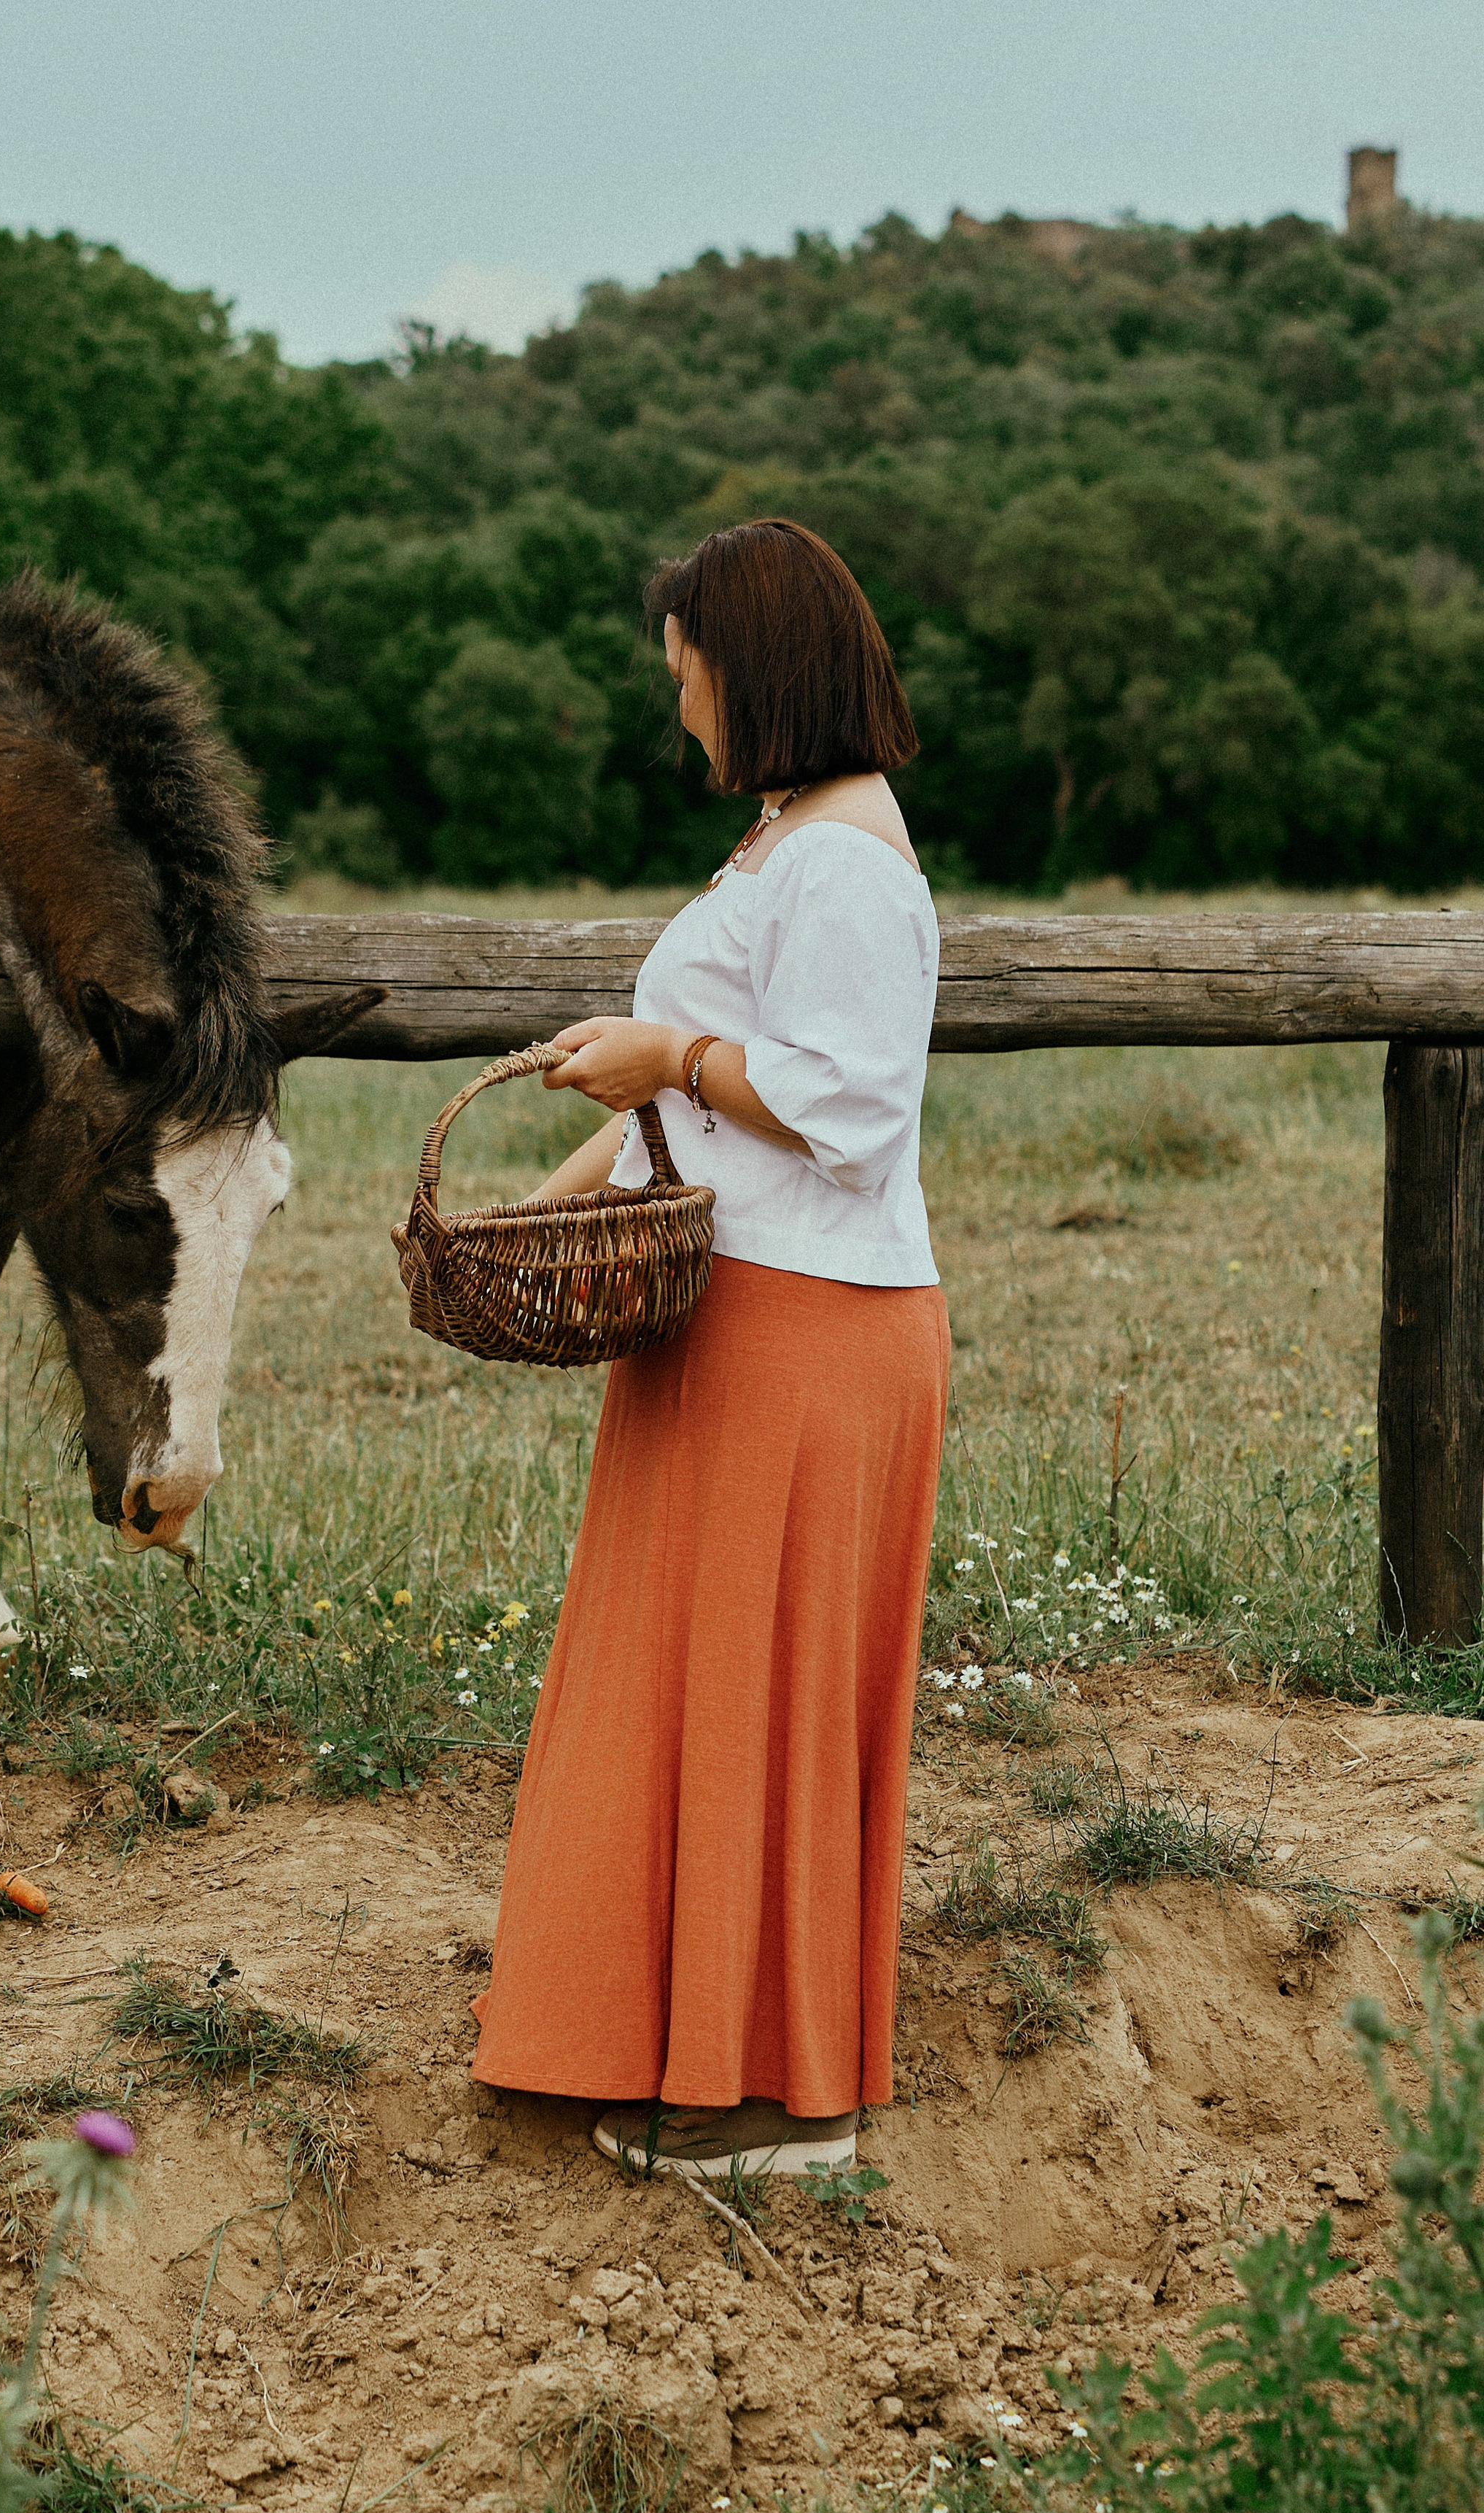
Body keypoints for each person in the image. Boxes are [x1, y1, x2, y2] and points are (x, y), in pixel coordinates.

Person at [468, 517, 948, 2180]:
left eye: (685, 677)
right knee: (688, 1686)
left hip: (808, 1325)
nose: (676, 710)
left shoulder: (842, 866)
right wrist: (532, 1211)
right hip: (731, 1310)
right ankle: (659, 2037)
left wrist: (668, 1043)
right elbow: (699, 1105)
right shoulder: (781, 842)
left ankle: (777, 2093)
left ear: (754, 669)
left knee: (760, 1699)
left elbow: (841, 1102)